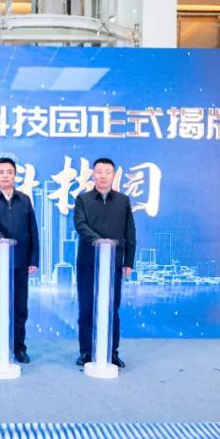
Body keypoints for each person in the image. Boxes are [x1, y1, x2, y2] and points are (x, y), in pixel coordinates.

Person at [73, 157, 136, 368]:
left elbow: (129, 232)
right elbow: (80, 225)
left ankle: (112, 351)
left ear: (113, 175)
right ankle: (86, 351)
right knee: (87, 308)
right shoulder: (83, 199)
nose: (103, 176)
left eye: (107, 172)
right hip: (88, 262)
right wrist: (99, 241)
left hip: (114, 263)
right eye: (99, 171)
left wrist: (128, 262)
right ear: (93, 174)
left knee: (111, 308)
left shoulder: (123, 201)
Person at [0, 157, 39, 365]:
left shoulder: (25, 200)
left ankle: (19, 347)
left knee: (20, 308)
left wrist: (34, 258)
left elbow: (33, 230)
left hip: (20, 263)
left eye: (9, 172)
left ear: (15, 175)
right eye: (1, 172)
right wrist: (2, 242)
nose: (5, 176)